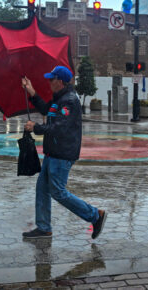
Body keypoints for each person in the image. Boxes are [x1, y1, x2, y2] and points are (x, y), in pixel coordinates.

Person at [21, 66, 107, 239]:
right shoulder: (59, 98)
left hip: (62, 154)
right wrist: (31, 91)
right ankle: (44, 227)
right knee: (42, 189)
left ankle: (95, 216)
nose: (49, 82)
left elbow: (59, 127)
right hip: (52, 153)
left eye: (51, 79)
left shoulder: (69, 101)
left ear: (60, 81)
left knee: (58, 192)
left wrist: (36, 127)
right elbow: (46, 110)